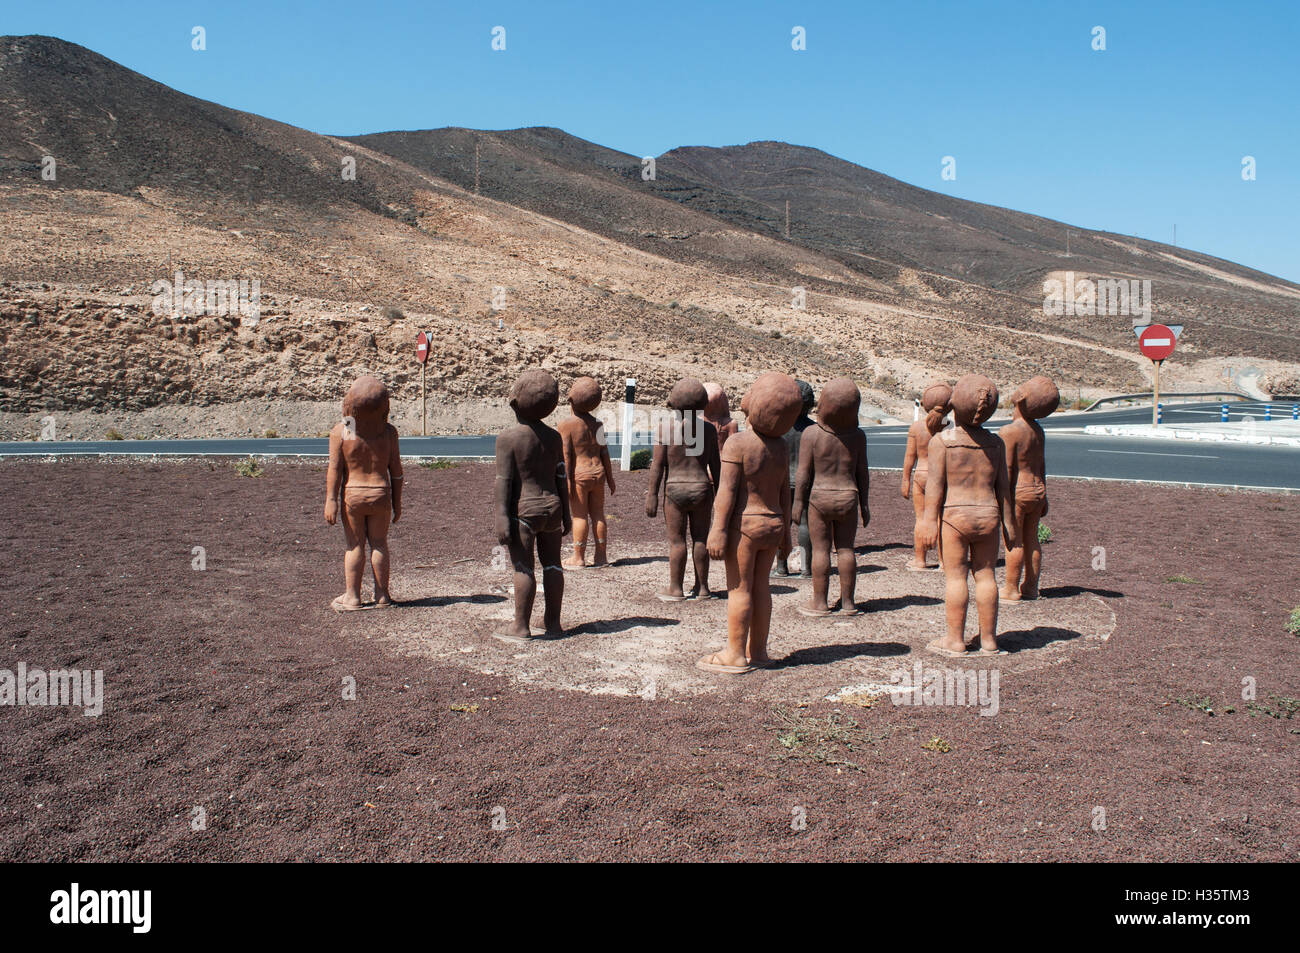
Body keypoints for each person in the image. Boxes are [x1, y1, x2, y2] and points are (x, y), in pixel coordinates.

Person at [698, 372, 802, 675]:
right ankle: (757, 651)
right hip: (773, 525)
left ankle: (734, 654)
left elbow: (726, 493)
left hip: (745, 526)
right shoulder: (781, 447)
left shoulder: (738, 444)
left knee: (739, 589)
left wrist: (717, 530)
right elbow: (785, 495)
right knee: (761, 588)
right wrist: (786, 536)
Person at [918, 374, 1017, 656]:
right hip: (989, 516)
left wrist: (928, 522)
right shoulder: (996, 444)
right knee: (986, 576)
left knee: (956, 578)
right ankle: (988, 640)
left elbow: (935, 487)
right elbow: (1004, 489)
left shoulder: (942, 442)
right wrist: (1010, 525)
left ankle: (955, 640)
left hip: (955, 518)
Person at [494, 369, 571, 641]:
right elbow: (561, 477)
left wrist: (502, 517)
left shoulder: (508, 439)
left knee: (523, 568)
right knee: (553, 565)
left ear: (515, 404)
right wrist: (568, 514)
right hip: (553, 509)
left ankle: (521, 626)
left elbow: (504, 481)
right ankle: (553, 622)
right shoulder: (553, 437)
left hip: (524, 512)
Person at [793, 378, 870, 616]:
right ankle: (848, 602)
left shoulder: (812, 434)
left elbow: (804, 473)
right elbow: (862, 472)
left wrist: (798, 502)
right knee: (846, 549)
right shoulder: (858, 436)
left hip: (820, 497)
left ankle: (820, 602)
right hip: (848, 495)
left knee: (820, 551)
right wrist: (864, 504)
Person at [325, 375, 403, 611]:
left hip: (353, 495)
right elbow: (396, 472)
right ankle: (382, 595)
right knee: (379, 544)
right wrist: (397, 502)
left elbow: (335, 470)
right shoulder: (388, 432)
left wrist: (330, 500)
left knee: (355, 545)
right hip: (381, 493)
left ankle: (353, 597)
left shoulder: (346, 430)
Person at [646, 378, 721, 600]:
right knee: (701, 538)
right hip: (701, 489)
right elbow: (716, 466)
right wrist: (721, 496)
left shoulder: (666, 428)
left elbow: (657, 465)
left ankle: (676, 588)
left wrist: (652, 495)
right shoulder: (708, 429)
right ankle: (703, 588)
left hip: (675, 490)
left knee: (677, 541)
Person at [999, 376, 1060, 601]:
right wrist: (1045, 496)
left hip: (1018, 492)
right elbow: (1041, 466)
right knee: (1032, 538)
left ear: (1021, 397)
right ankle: (1031, 587)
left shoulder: (1010, 432)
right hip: (1037, 490)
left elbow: (1006, 470)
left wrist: (1001, 498)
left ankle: (1011, 588)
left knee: (1013, 539)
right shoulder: (1038, 431)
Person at [558, 377, 615, 569]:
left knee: (580, 516)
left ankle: (578, 557)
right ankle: (601, 556)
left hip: (580, 476)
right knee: (598, 514)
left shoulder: (566, 425)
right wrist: (610, 477)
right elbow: (604, 452)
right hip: (598, 473)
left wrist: (566, 482)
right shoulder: (597, 424)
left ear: (571, 398)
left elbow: (566, 456)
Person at [901, 382, 952, 571]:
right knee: (942, 518)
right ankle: (944, 561)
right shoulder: (950, 427)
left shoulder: (916, 428)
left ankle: (920, 559)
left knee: (921, 518)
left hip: (921, 476)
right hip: (942, 478)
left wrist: (905, 479)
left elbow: (909, 457)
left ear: (923, 405)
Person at [773, 379, 815, 577]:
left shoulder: (779, 427)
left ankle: (781, 567)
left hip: (781, 481)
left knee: (783, 523)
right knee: (805, 524)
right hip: (806, 482)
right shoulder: (814, 430)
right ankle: (806, 568)